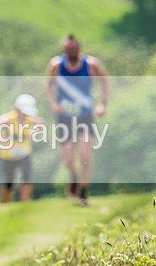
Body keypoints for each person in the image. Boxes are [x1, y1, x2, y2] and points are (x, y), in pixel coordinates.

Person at [44, 34, 109, 206]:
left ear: (79, 49)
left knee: (86, 155)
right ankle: (73, 176)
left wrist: (102, 104)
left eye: (73, 49)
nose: (71, 52)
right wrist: (54, 103)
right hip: (65, 118)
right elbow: (48, 85)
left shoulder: (91, 64)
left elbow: (104, 80)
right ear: (64, 50)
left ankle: (83, 193)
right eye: (67, 49)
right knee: (68, 160)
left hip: (85, 116)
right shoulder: (56, 65)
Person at [0, 94, 46, 203]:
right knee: (9, 182)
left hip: (24, 153)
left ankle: (25, 203)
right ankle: (5, 204)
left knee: (27, 178)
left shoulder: (30, 119)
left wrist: (34, 131)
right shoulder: (8, 119)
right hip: (8, 155)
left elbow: (42, 124)